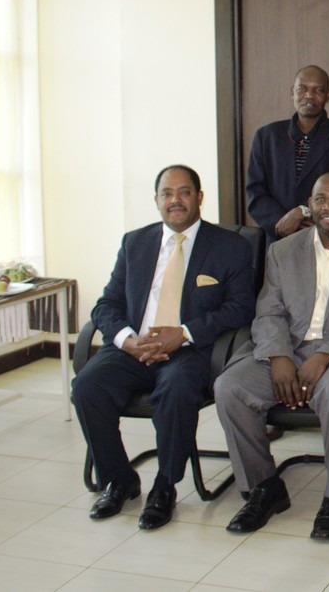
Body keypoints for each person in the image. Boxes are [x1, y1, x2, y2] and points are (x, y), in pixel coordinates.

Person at [212, 172, 329, 539]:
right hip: (286, 348)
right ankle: (264, 486)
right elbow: (268, 312)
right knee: (229, 388)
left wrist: (327, 354)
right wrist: (278, 356)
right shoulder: (282, 250)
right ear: (310, 204)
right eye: (320, 200)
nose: (328, 207)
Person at [72, 165, 256, 530]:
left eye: (184, 192)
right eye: (167, 194)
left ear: (199, 197)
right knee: (87, 387)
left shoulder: (231, 246)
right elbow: (106, 305)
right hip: (133, 348)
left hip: (189, 350)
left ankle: (164, 485)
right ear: (156, 200)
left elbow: (241, 307)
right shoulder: (134, 243)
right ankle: (119, 479)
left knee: (176, 389)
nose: (176, 201)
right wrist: (127, 340)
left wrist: (183, 333)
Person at [246, 64, 329, 243]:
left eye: (318, 90)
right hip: (278, 238)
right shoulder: (266, 137)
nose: (309, 95)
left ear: (328, 95)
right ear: (292, 92)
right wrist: (282, 221)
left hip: (327, 236)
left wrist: (304, 212)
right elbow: (255, 192)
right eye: (302, 89)